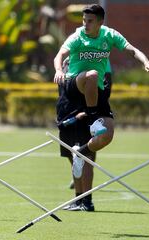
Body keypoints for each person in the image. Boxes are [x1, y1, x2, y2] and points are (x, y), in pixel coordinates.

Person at [53, 4, 149, 211]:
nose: (85, 24)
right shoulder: (77, 37)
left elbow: (132, 50)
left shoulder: (109, 35)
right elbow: (60, 55)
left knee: (106, 134)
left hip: (95, 92)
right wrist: (58, 70)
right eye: (84, 20)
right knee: (91, 74)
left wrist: (147, 63)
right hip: (75, 86)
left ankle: (81, 155)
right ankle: (92, 123)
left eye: (90, 21)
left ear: (100, 22)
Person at [56, 58, 113, 211]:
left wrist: (85, 114)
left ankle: (86, 201)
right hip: (66, 120)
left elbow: (100, 92)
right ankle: (78, 198)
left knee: (86, 158)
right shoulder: (63, 76)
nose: (66, 64)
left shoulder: (89, 72)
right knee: (74, 158)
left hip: (81, 119)